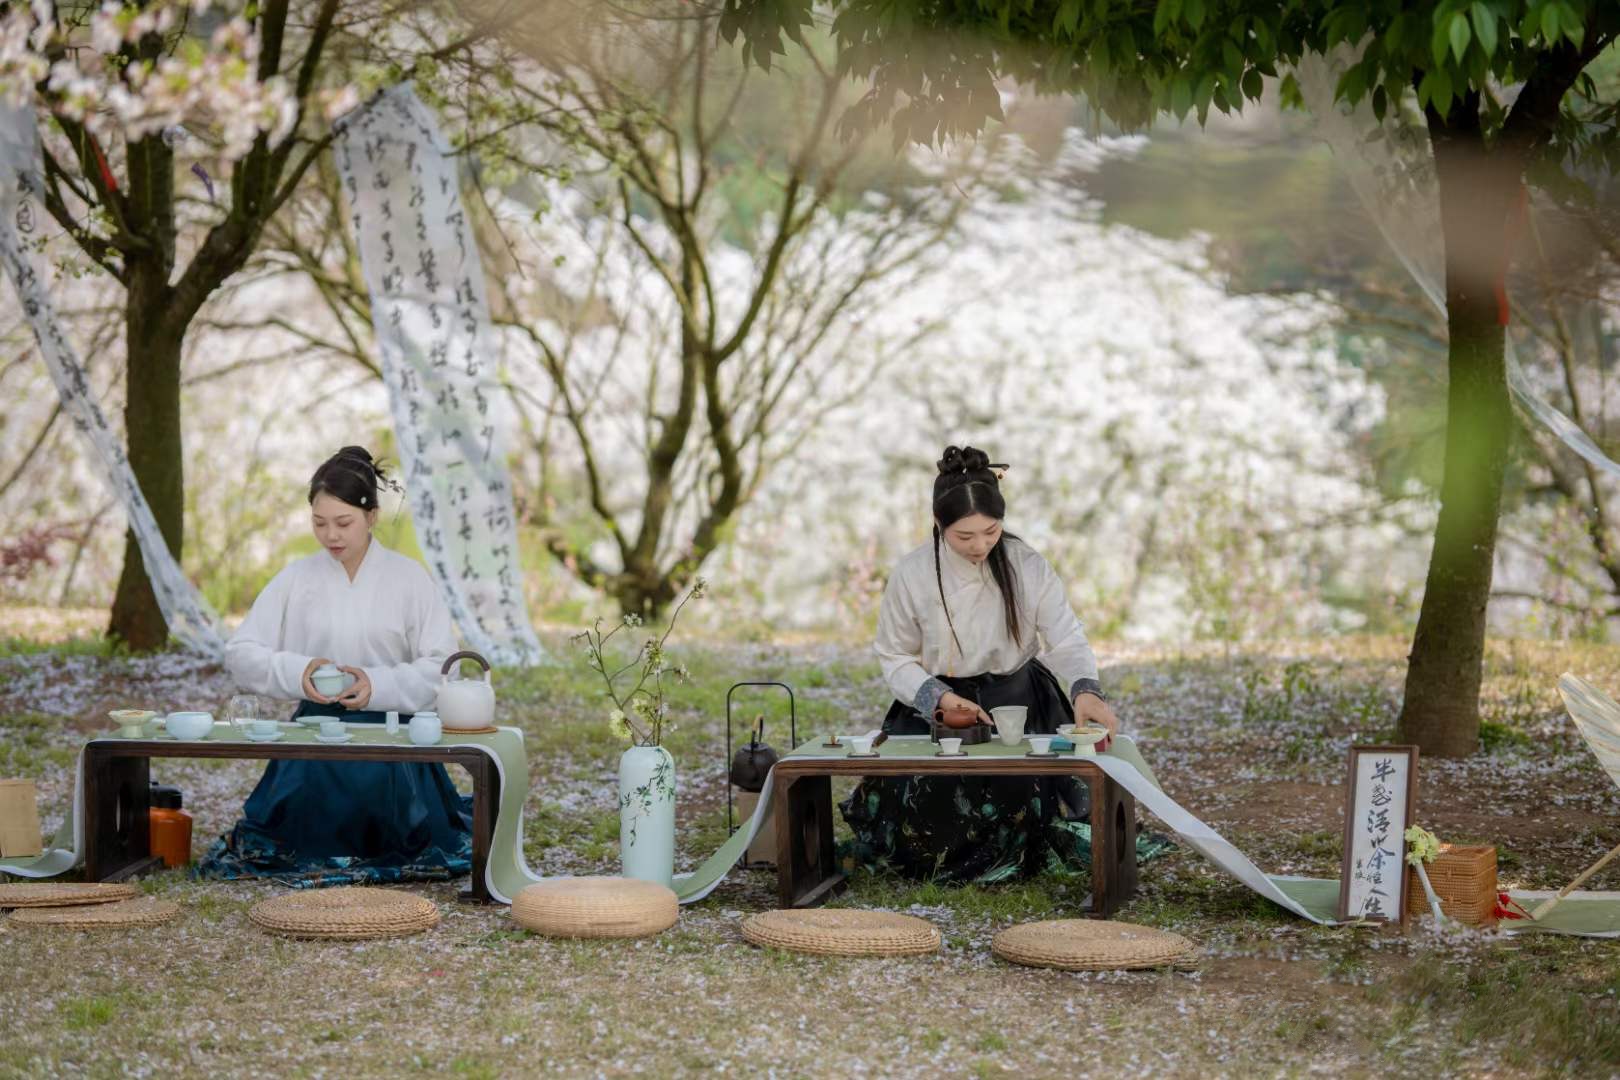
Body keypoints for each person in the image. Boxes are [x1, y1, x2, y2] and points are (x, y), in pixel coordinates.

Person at [840, 444, 1121, 883]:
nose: (980, 546)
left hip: (1018, 700)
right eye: (964, 536)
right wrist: (939, 697)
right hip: (940, 708)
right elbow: (894, 654)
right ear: (938, 524)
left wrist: (1087, 689)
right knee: (922, 836)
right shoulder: (912, 573)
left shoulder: (1028, 566)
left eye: (990, 532)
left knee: (1028, 821)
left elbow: (1065, 635)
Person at [196, 446, 473, 886]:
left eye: (343, 523)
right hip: (315, 734)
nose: (331, 536)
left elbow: (445, 668)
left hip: (392, 735)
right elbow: (241, 652)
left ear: (372, 517)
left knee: (398, 828)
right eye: (319, 523)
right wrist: (301, 671)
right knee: (300, 833)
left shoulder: (409, 579)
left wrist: (375, 684)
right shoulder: (296, 578)